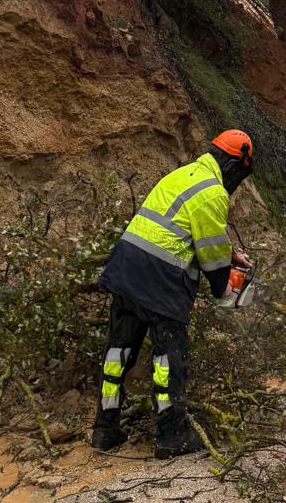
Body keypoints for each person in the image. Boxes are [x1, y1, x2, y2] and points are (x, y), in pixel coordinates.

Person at [90, 129, 255, 459]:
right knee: (168, 358)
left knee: (118, 352)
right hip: (160, 279)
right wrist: (225, 286)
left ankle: (104, 430)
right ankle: (171, 436)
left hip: (127, 267)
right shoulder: (213, 192)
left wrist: (229, 253)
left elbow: (178, 227)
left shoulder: (182, 175)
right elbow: (211, 257)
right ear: (234, 165)